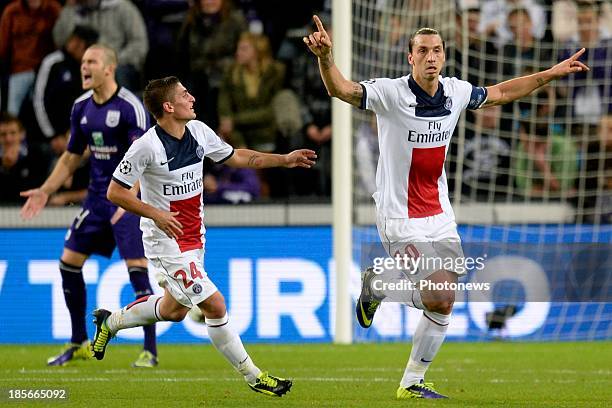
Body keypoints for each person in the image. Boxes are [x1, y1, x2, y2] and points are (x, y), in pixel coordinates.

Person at [304, 15, 589, 399]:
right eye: (422, 51)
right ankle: (380, 286)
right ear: (410, 58)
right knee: (439, 294)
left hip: (440, 215)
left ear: (444, 56)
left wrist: (550, 73)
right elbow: (342, 89)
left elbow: (502, 93)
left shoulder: (455, 92)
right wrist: (326, 58)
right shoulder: (390, 93)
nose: (431, 57)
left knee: (444, 304)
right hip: (400, 217)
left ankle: (411, 382)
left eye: (436, 50)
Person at [91, 76, 316, 396]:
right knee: (214, 305)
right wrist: (155, 213)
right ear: (168, 107)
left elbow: (236, 156)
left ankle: (110, 322)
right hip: (163, 241)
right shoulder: (146, 147)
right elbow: (115, 192)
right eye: (184, 94)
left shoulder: (198, 131)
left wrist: (284, 160)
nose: (192, 97)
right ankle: (254, 376)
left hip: (194, 236)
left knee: (173, 310)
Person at [20, 44, 159, 368]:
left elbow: (144, 156)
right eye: (83, 62)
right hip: (97, 201)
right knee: (68, 262)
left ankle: (149, 351)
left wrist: (132, 197)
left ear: (108, 68)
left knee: (137, 273)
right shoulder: (81, 106)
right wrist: (45, 189)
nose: (84, 67)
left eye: (91, 61)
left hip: (126, 199)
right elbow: (71, 158)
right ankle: (78, 341)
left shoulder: (130, 107)